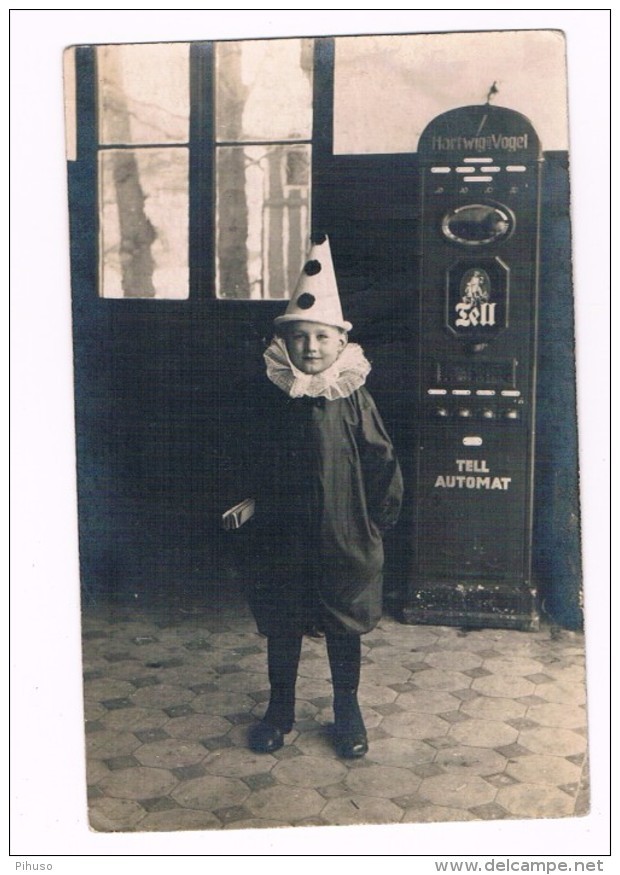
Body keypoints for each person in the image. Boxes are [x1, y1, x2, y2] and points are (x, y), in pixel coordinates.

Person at [243, 233, 403, 759]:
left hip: (344, 531)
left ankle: (347, 710)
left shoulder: (353, 397)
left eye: (321, 338)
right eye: (300, 338)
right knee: (284, 620)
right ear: (284, 343)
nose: (310, 348)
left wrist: (374, 522)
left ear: (341, 343)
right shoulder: (272, 396)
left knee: (342, 622)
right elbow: (252, 456)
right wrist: (248, 499)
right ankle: (280, 710)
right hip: (283, 533)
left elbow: (381, 460)